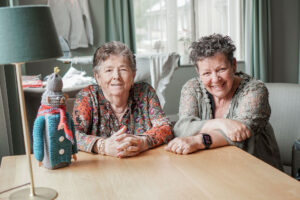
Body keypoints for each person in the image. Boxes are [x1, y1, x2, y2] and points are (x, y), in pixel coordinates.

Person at [165, 34, 282, 170]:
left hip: (257, 168)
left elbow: (240, 136)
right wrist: (221, 123)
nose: (215, 79)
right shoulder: (192, 88)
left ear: (233, 65)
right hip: (214, 166)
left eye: (221, 70)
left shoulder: (255, 90)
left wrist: (197, 140)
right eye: (207, 73)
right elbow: (181, 129)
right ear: (198, 72)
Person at [73, 41, 173, 158]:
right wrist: (102, 146)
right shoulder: (87, 97)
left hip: (142, 166)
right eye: (109, 70)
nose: (116, 76)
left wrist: (143, 142)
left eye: (123, 69)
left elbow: (165, 127)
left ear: (133, 75)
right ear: (97, 77)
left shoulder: (145, 93)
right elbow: (72, 134)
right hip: (99, 168)